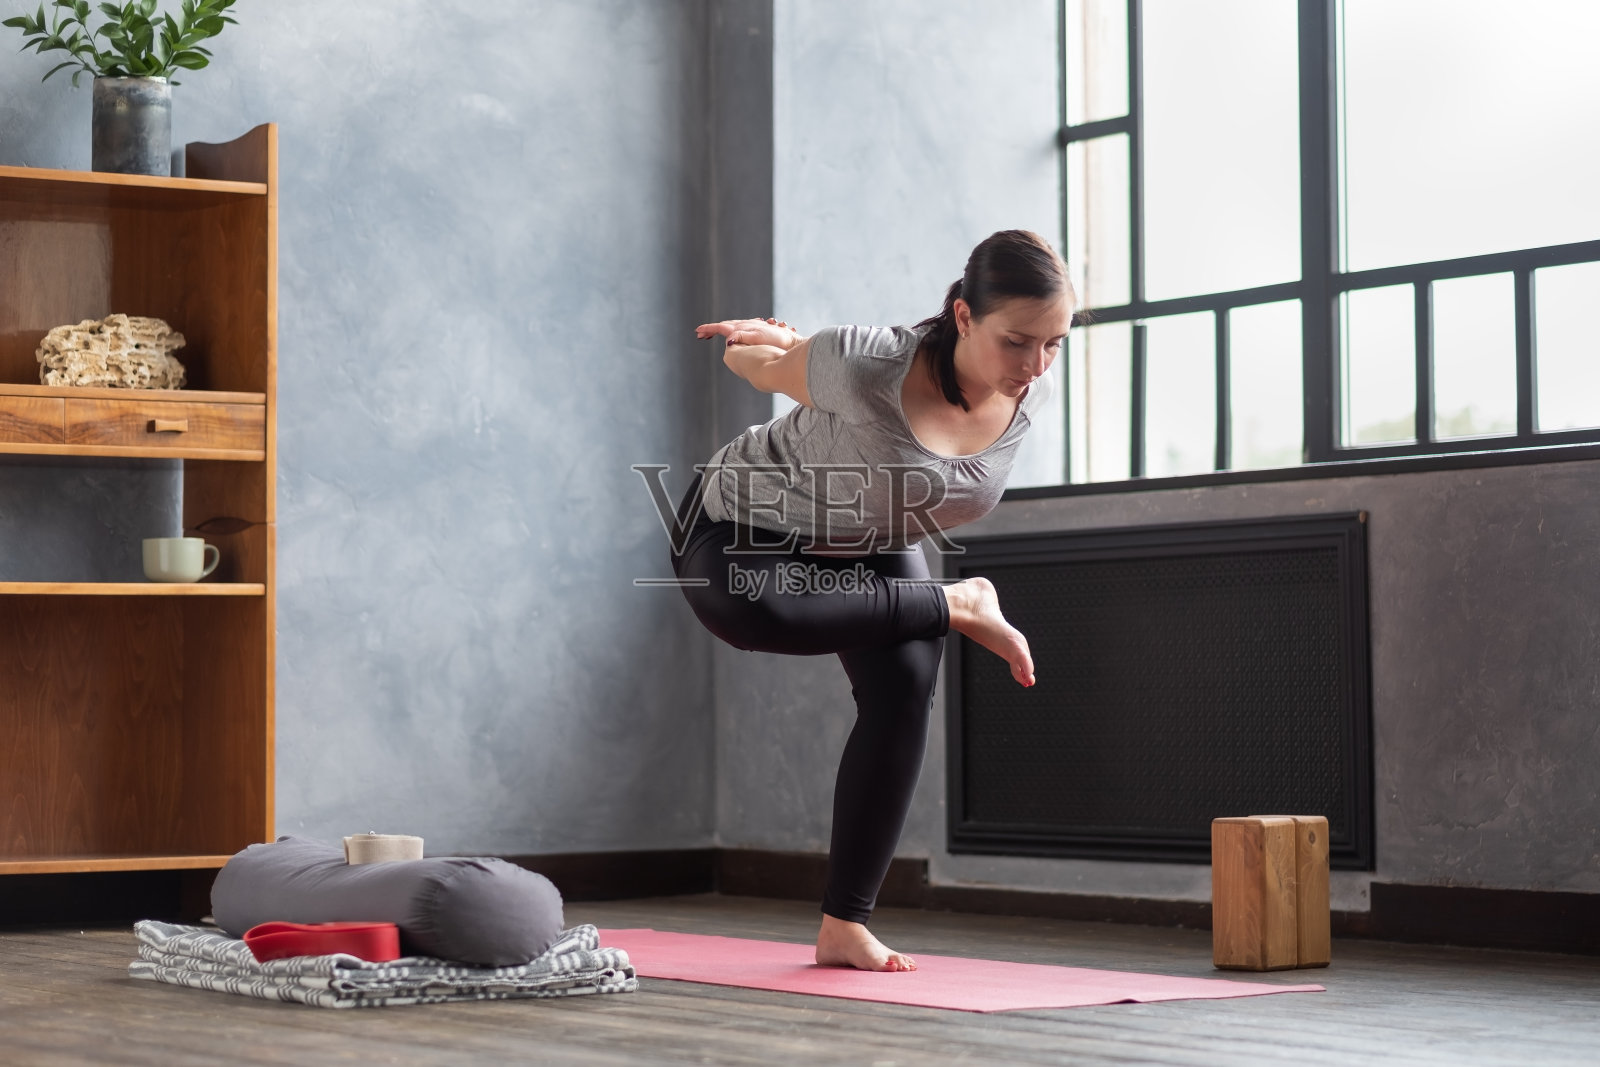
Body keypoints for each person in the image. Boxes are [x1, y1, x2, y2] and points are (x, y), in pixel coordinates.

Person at [671, 229, 1075, 972]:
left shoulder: (1026, 393)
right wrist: (764, 342)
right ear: (962, 316)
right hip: (744, 519)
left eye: (1054, 343)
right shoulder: (869, 365)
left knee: (904, 681)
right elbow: (759, 367)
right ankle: (956, 601)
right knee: (758, 614)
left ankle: (843, 924)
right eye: (1018, 341)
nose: (1036, 365)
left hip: (870, 528)